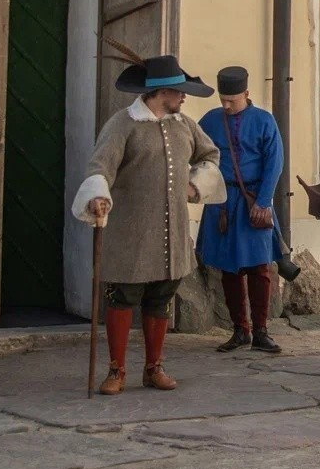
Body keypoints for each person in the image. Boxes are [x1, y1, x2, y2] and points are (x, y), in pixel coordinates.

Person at [72, 53, 225, 395]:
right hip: (130, 234)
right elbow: (100, 166)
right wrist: (97, 195)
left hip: (172, 235)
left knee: (160, 299)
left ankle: (153, 368)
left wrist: (195, 185)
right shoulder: (122, 124)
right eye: (178, 91)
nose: (184, 97)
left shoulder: (184, 125)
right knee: (122, 299)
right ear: (160, 92)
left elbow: (210, 155)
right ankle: (116, 371)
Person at [196, 66, 287, 354]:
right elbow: (196, 152)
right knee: (229, 268)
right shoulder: (210, 120)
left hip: (254, 199)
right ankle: (240, 331)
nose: (226, 105)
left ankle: (261, 331)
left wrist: (263, 202)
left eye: (231, 100)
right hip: (222, 202)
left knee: (260, 267)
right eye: (223, 99)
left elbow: (275, 161)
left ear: (246, 94)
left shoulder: (263, 120)